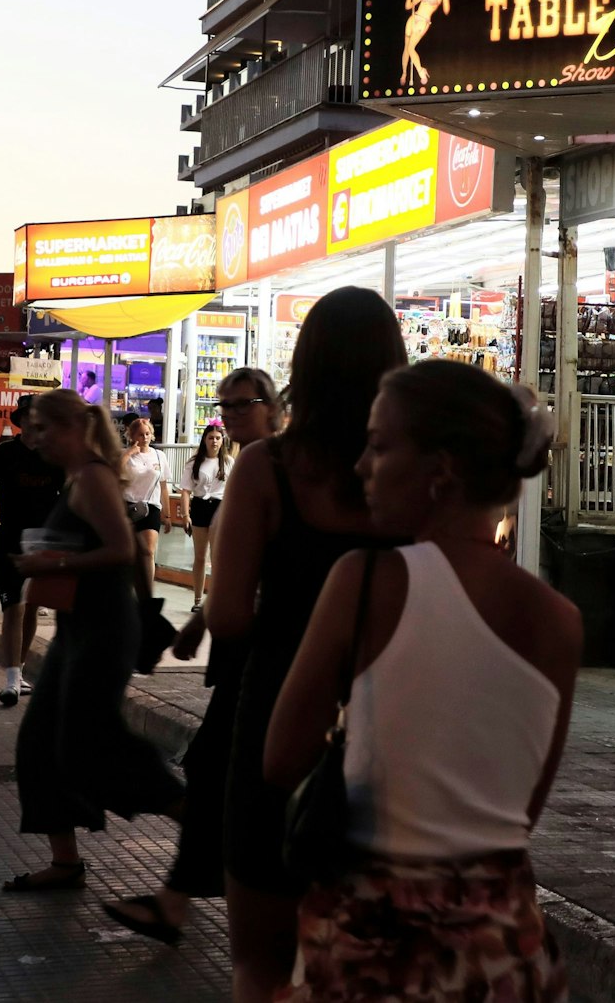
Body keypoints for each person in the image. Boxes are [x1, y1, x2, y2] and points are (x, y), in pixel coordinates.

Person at [264, 360, 577, 1001]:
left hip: (377, 938)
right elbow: (523, 808)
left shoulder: (367, 581)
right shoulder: (559, 619)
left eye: (380, 447)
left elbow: (280, 759)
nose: (362, 467)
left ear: (442, 469)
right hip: (502, 943)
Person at [209, 287, 406, 1003]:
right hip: (392, 715)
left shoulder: (267, 467)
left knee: (260, 962)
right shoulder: (411, 476)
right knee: (372, 959)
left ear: (303, 366)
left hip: (278, 710)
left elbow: (228, 615)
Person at [104, 368, 280, 946]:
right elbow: (238, 565)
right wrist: (201, 620)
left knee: (215, 765)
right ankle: (192, 892)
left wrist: (211, 619)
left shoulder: (268, 464)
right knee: (217, 765)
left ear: (272, 405)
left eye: (241, 405)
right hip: (248, 640)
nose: (227, 417)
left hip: (264, 643)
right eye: (223, 406)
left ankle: (201, 897)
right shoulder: (256, 464)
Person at [2, 389, 183, 893]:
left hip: (103, 629)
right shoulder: (78, 477)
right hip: (78, 628)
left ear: (72, 429)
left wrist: (53, 562)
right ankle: (65, 862)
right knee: (39, 742)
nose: (35, 438)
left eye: (43, 428)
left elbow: (123, 549)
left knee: (95, 741)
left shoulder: (94, 478)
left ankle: (195, 815)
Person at [0, 395, 63, 707]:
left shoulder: (53, 454)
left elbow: (68, 495)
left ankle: (19, 671)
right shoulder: (5, 453)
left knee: (31, 606)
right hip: (9, 539)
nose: (35, 421)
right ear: (22, 420)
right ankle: (11, 679)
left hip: (43, 542)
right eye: (30, 416)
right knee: (13, 606)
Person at [121, 416, 172, 604]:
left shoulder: (159, 456)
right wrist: (128, 454)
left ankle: (147, 593)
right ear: (132, 436)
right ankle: (127, 590)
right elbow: (114, 474)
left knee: (148, 551)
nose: (145, 438)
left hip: (151, 506)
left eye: (147, 434)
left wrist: (167, 514)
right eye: (140, 435)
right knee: (130, 552)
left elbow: (164, 485)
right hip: (128, 505)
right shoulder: (125, 455)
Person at [181, 424, 231, 611]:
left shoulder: (228, 461)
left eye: (218, 438)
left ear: (222, 440)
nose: (214, 441)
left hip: (220, 506)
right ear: (204, 440)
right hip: (200, 506)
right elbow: (186, 490)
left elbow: (234, 489)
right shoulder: (194, 462)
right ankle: (197, 600)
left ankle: (216, 599)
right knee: (200, 556)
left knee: (217, 556)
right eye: (211, 438)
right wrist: (185, 515)